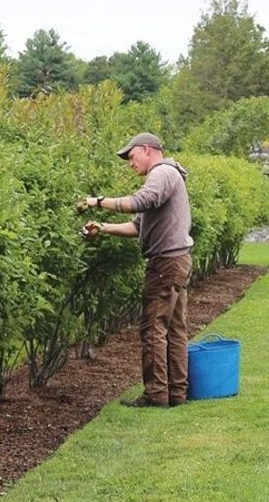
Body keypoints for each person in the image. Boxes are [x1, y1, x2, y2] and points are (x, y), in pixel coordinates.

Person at [78, 132, 193, 408]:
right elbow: (138, 227)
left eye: (131, 157)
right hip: (177, 260)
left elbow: (139, 202)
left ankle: (156, 395)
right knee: (175, 329)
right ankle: (176, 393)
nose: (130, 164)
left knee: (153, 327)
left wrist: (97, 201)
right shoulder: (167, 176)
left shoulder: (161, 173)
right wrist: (103, 228)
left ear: (146, 149)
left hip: (165, 264)